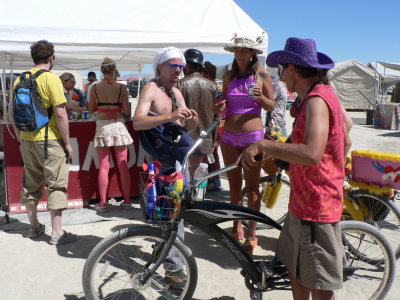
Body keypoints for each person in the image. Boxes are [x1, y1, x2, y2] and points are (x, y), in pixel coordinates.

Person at [242, 37, 346, 299]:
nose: (281, 77)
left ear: (293, 69)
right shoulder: (320, 94)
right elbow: (348, 133)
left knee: (319, 284)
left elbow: (312, 153)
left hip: (316, 208)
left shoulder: (317, 100)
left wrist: (264, 145)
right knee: (296, 271)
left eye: (282, 70)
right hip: (303, 204)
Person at [133, 46, 198, 285]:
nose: (178, 70)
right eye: (173, 65)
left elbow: (183, 128)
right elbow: (138, 122)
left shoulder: (177, 92)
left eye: (181, 66)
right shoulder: (151, 89)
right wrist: (169, 117)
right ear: (159, 66)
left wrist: (192, 120)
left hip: (180, 160)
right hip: (162, 163)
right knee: (170, 213)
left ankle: (166, 257)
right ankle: (172, 268)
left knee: (174, 213)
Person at [9, 40, 77, 245]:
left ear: (33, 58)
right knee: (56, 184)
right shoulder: (51, 79)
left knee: (31, 184)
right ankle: (57, 233)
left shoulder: (19, 79)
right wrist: (67, 143)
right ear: (51, 58)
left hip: (27, 140)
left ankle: (34, 227)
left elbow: (12, 113)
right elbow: (61, 114)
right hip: (50, 140)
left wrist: (20, 137)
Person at [214, 36, 274, 254]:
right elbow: (223, 105)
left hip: (253, 138)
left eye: (244, 50)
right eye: (237, 50)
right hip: (229, 136)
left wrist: (261, 98)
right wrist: (218, 107)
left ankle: (251, 232)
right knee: (234, 187)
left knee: (252, 187)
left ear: (252, 53)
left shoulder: (262, 75)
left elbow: (271, 106)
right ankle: (235, 227)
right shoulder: (228, 76)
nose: (240, 54)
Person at [88, 57, 133, 213]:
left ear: (102, 70)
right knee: (123, 165)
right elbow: (127, 111)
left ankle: (102, 203)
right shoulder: (122, 88)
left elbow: (91, 109)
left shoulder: (94, 88)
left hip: (102, 127)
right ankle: (127, 201)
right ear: (114, 69)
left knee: (104, 166)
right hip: (119, 126)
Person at [178, 49, 218, 176]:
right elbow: (216, 115)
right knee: (196, 174)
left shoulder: (179, 85)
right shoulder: (212, 86)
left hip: (184, 136)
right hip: (204, 137)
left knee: (182, 174)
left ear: (187, 65)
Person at [200, 61, 223, 190]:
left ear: (207, 74)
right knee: (213, 154)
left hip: (212, 125)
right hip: (218, 125)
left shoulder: (210, 88)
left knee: (209, 153)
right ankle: (216, 180)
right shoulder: (216, 87)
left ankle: (209, 181)